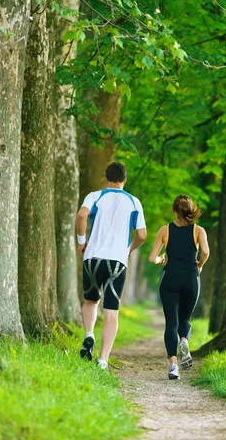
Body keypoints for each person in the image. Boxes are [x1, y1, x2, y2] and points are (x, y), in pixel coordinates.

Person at [75, 162, 147, 370]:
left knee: (90, 301)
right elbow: (142, 235)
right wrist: (129, 249)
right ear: (125, 180)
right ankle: (103, 360)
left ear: (106, 177)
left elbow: (81, 216)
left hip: (92, 258)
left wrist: (82, 241)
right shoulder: (134, 202)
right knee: (111, 312)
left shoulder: (95, 195)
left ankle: (89, 335)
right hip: (117, 261)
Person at [149, 194, 210, 380]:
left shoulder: (165, 230)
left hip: (170, 278)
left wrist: (162, 260)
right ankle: (184, 341)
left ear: (174, 210)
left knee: (171, 322)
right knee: (185, 318)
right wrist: (199, 265)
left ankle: (173, 366)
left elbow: (153, 258)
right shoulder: (198, 231)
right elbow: (206, 252)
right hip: (191, 279)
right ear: (191, 210)